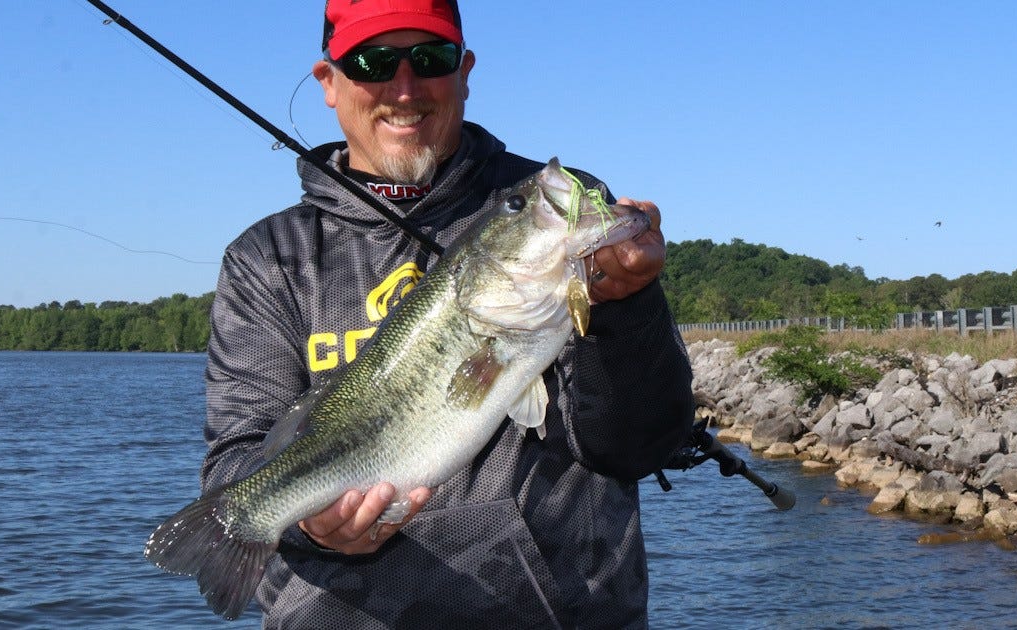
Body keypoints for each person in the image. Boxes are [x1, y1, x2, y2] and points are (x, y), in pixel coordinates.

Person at [200, 0, 694, 628]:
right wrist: (310, 526)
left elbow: (636, 445)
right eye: (374, 61)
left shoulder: (565, 221)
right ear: (329, 82)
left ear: (464, 71)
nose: (404, 88)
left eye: (429, 59)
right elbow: (239, 456)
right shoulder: (267, 260)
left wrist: (628, 306)